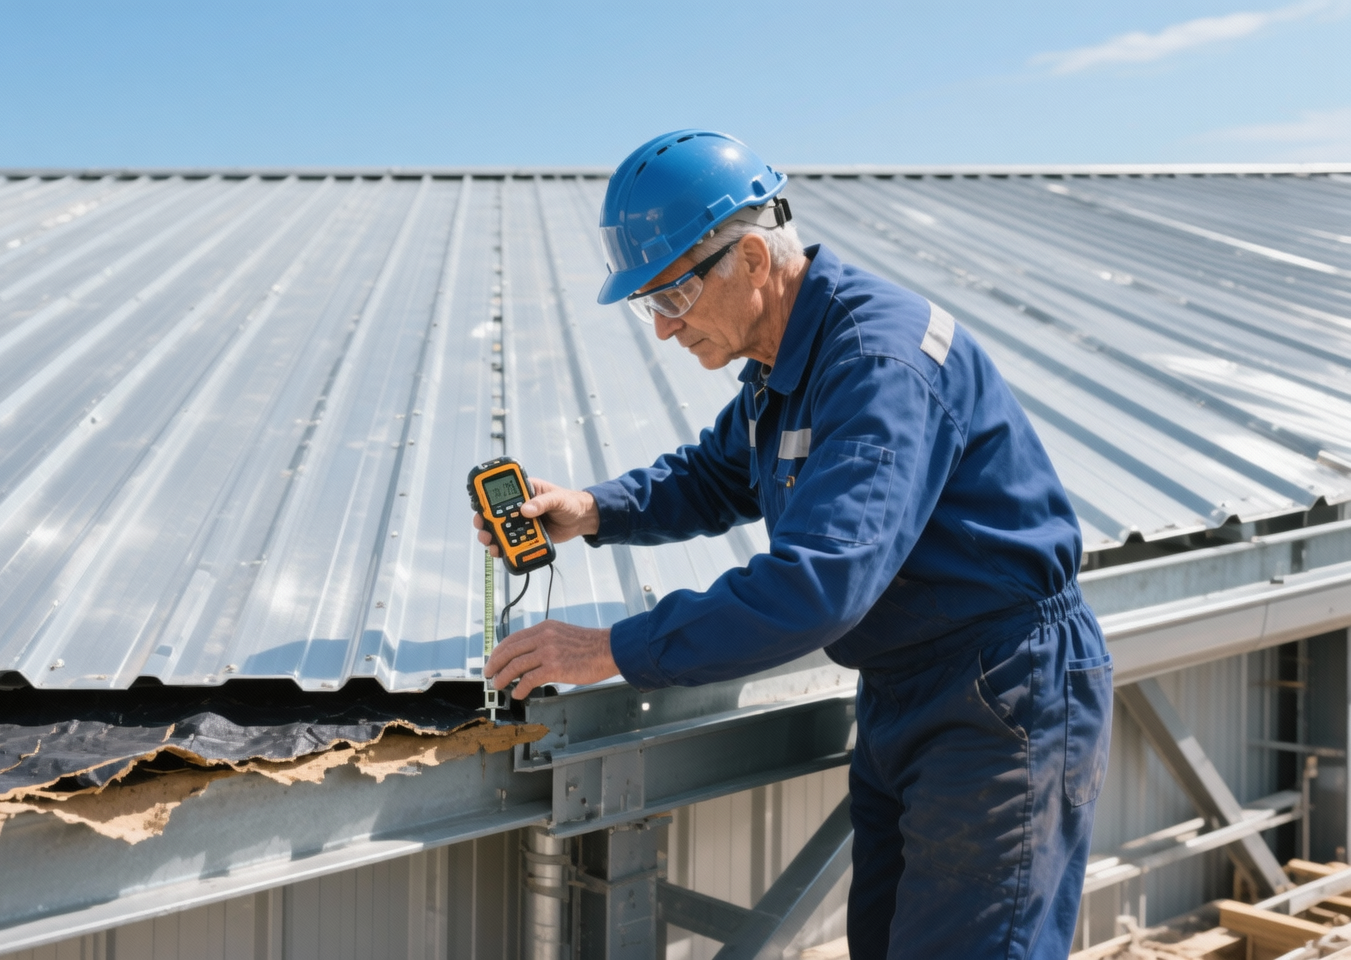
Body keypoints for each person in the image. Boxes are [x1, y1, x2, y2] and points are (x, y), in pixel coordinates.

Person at [477, 130, 1113, 959]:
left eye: (669, 299)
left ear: (748, 258)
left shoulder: (876, 363)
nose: (664, 332)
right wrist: (594, 508)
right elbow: (716, 476)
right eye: (649, 307)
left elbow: (820, 583)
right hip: (908, 685)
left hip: (1000, 693)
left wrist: (612, 649)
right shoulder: (782, 362)